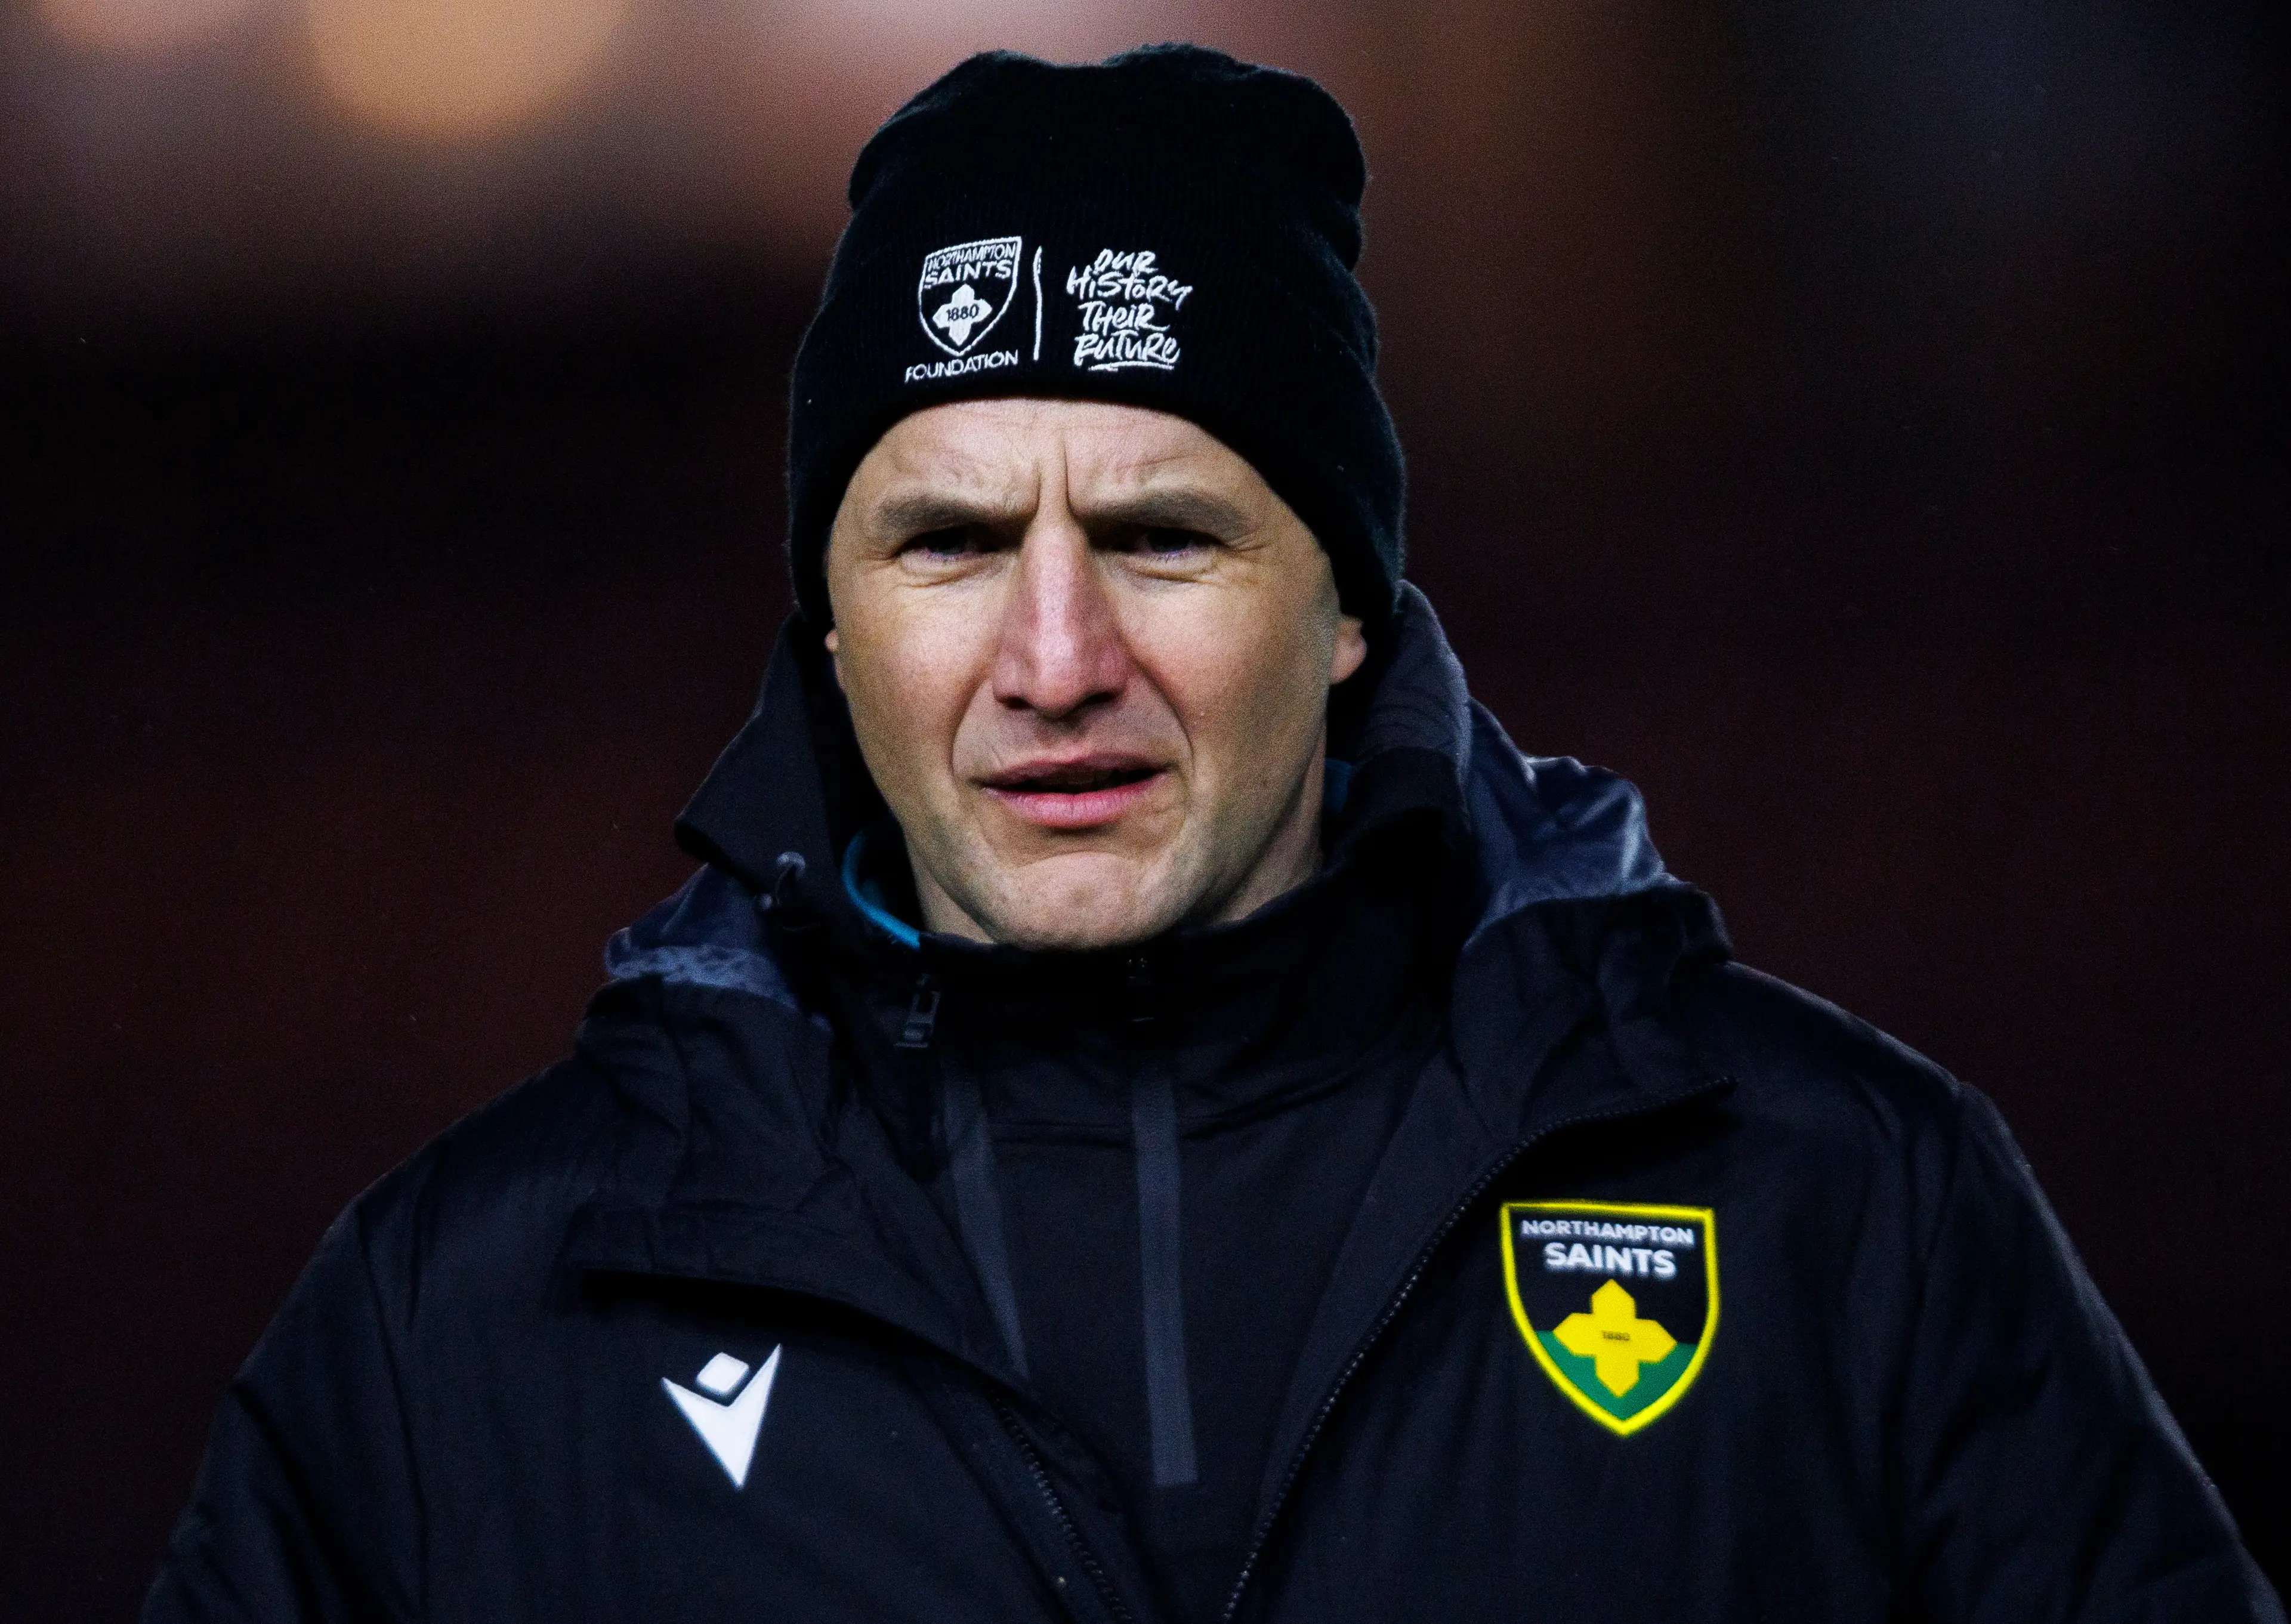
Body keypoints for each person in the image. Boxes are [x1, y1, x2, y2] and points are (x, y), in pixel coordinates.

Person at [144, 45, 2280, 1624]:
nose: (1054, 656)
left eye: (1164, 535)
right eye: (949, 543)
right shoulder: (468, 1321)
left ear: (1352, 604)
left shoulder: (1845, 1218)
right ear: (825, 620)